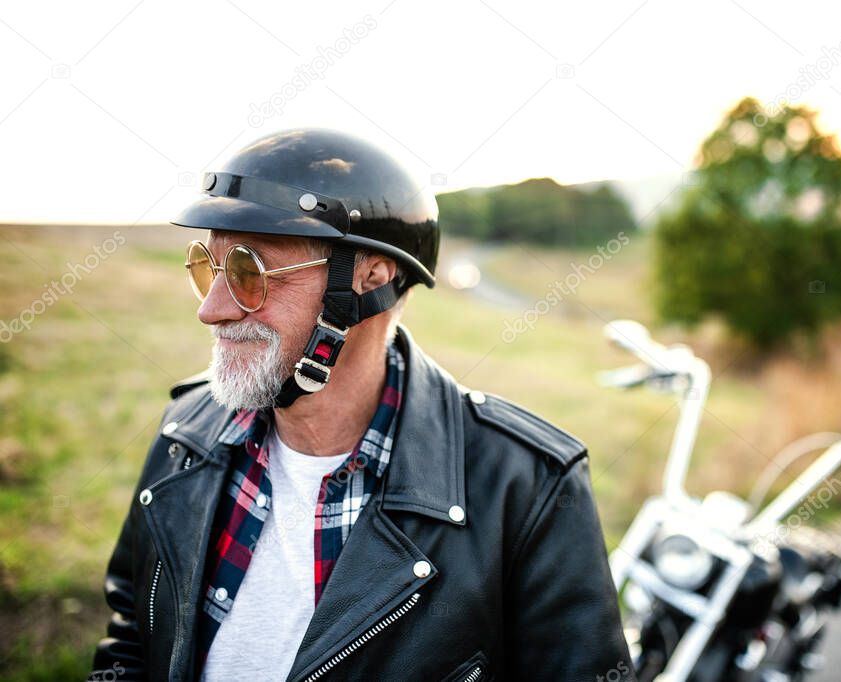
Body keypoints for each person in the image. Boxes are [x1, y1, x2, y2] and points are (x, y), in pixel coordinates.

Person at [89, 128, 634, 681]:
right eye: (208, 265)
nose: (210, 309)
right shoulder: (187, 431)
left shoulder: (530, 485)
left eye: (249, 272)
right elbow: (131, 643)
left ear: (370, 273)